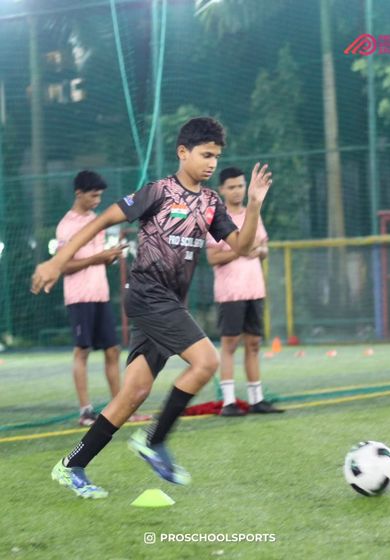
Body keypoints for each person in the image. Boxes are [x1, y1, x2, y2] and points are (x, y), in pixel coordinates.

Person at [31, 117, 273, 499]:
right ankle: (154, 441)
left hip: (168, 304)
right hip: (146, 294)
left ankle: (72, 464)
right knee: (206, 361)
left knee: (134, 393)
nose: (211, 163)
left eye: (217, 156)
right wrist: (57, 263)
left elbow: (241, 247)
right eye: (205, 154)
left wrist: (255, 205)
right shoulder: (158, 192)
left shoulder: (211, 203)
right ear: (182, 152)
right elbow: (102, 222)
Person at [206, 167, 284, 416]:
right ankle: (228, 402)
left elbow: (263, 247)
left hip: (254, 290)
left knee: (253, 344)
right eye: (231, 187)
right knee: (229, 344)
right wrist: (239, 250)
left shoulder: (253, 214)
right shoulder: (217, 219)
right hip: (230, 292)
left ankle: (256, 399)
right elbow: (212, 257)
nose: (237, 190)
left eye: (240, 185)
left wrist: (257, 251)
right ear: (222, 190)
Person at [56, 171, 125, 426]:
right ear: (79, 194)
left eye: (100, 196)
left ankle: (119, 405)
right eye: (94, 195)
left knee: (113, 350)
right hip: (79, 297)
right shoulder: (67, 225)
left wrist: (110, 256)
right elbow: (64, 266)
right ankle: (85, 411)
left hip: (100, 294)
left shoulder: (97, 220)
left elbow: (97, 260)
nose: (98, 200)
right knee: (82, 350)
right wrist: (98, 258)